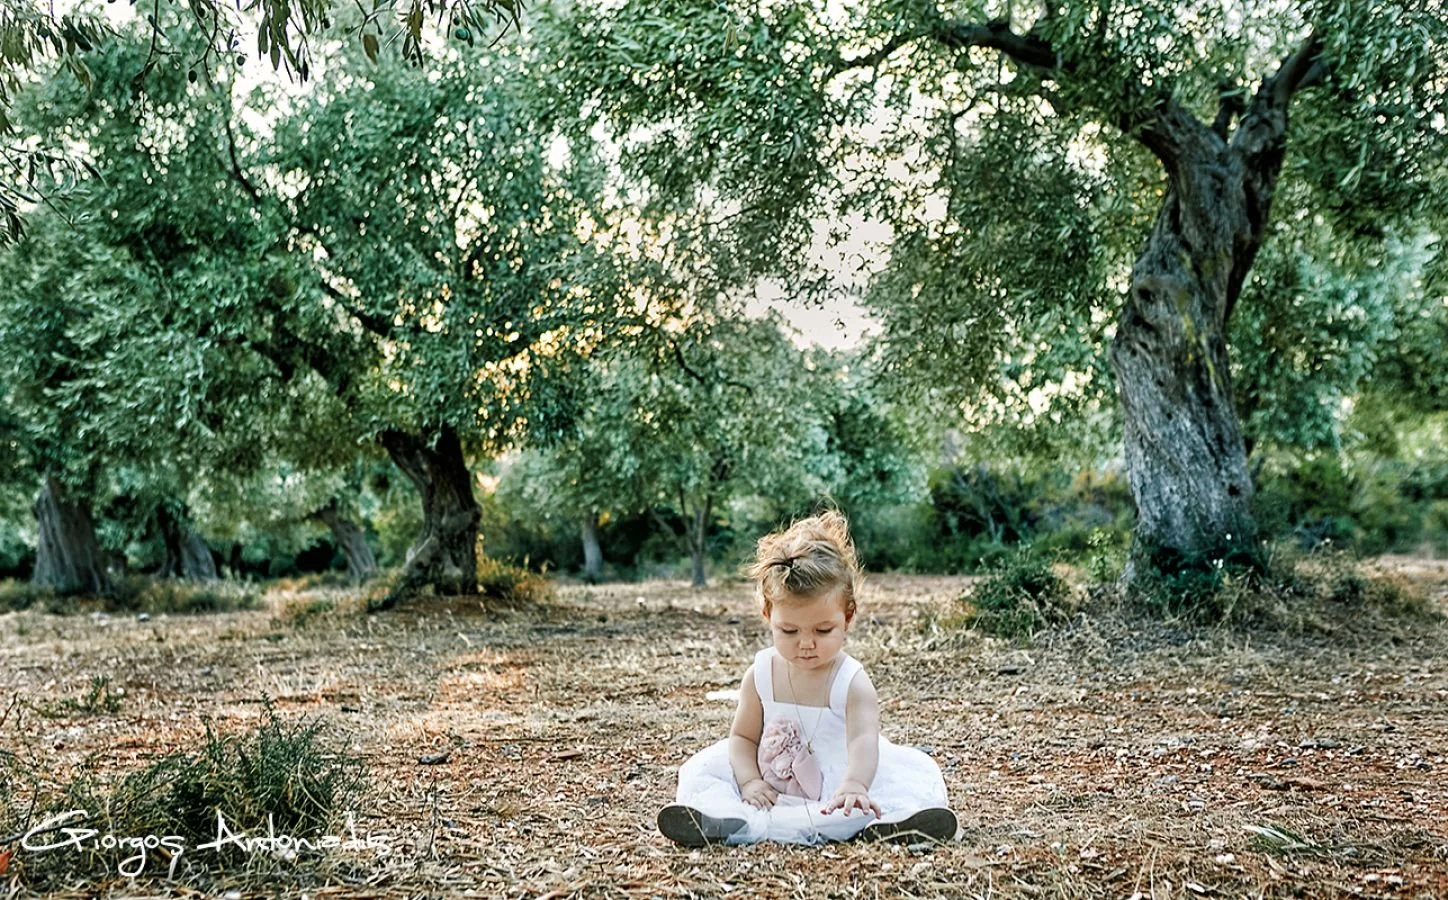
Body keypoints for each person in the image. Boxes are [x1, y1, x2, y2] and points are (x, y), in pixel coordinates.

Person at [657, 511, 957, 847]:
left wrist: (855, 784)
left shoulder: (852, 682)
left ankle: (892, 824)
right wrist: (750, 780)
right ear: (768, 615)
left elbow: (863, 742)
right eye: (788, 630)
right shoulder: (761, 675)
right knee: (705, 773)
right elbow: (742, 738)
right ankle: (721, 821)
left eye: (823, 630)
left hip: (836, 782)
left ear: (848, 617)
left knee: (889, 790)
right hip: (768, 783)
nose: (806, 643)